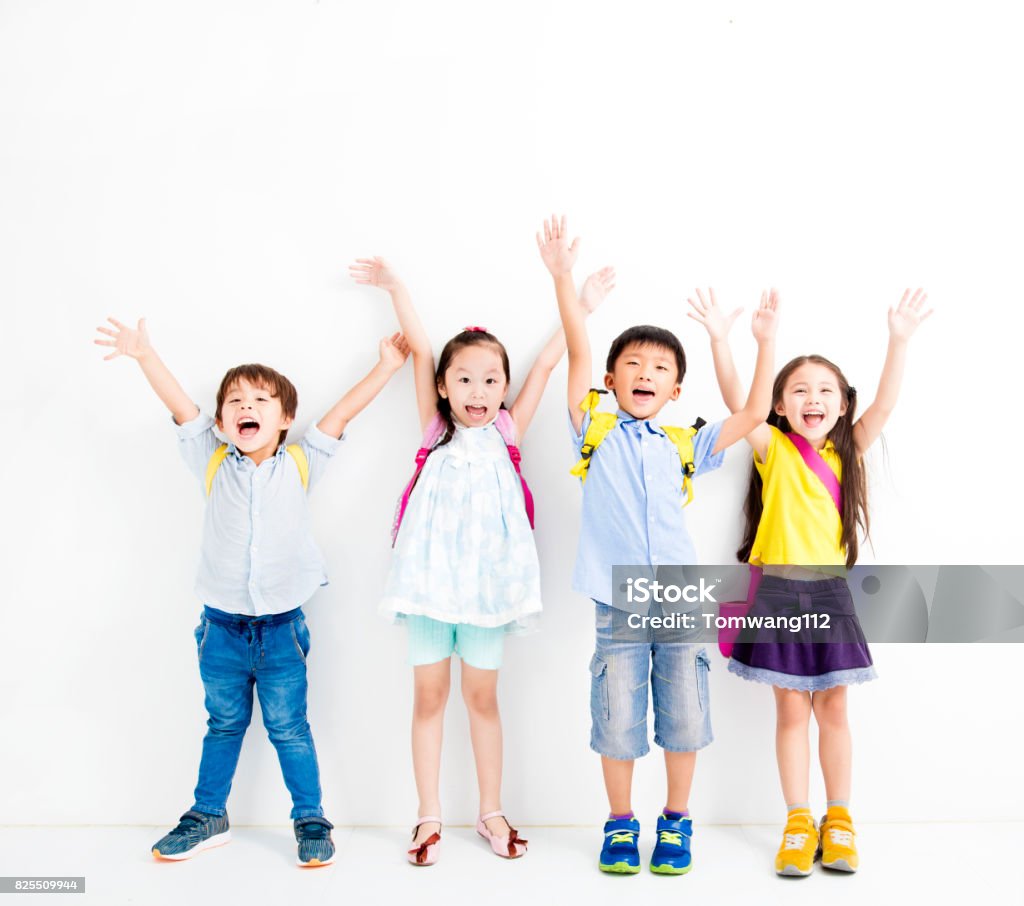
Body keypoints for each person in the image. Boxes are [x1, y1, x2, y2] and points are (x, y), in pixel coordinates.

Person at [94, 314, 409, 866]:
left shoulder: (302, 463)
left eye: (262, 401)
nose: (247, 407)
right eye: (236, 401)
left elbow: (341, 412)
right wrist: (145, 355)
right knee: (222, 725)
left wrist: (384, 366)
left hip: (283, 631)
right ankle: (207, 814)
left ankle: (310, 819)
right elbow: (182, 410)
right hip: (221, 629)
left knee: (290, 729)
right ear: (221, 422)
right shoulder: (212, 460)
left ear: (285, 419)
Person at [351, 254, 610, 865]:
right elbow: (420, 349)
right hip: (428, 591)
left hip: (489, 595)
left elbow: (550, 361)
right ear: (444, 386)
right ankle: (428, 815)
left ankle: (490, 809)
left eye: (491, 379)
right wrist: (397, 287)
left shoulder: (509, 432)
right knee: (429, 697)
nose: (479, 391)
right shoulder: (433, 430)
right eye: (464, 378)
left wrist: (583, 303)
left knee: (484, 700)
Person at [540, 215, 777, 875]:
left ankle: (677, 820)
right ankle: (620, 823)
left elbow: (755, 414)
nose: (644, 373)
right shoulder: (594, 430)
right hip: (616, 602)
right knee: (617, 714)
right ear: (613, 382)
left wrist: (757, 342)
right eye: (633, 365)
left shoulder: (684, 444)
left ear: (675, 390)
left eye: (660, 368)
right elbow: (579, 351)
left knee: (684, 710)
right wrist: (562, 279)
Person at [690, 287, 932, 876]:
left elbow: (886, 405)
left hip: (828, 595)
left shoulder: (848, 452)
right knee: (791, 715)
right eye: (798, 390)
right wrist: (741, 340)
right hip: (776, 594)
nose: (812, 397)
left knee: (833, 712)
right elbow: (735, 401)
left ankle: (839, 819)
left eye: (825, 390)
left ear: (842, 405)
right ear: (779, 406)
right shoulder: (773, 446)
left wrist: (898, 339)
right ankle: (799, 821)